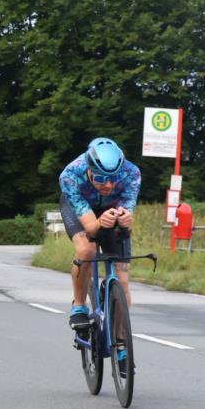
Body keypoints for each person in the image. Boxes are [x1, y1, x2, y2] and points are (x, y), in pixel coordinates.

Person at [59, 138, 141, 335]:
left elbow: (126, 211)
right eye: (102, 178)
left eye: (114, 178)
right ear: (89, 170)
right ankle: (79, 305)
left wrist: (125, 220)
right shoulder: (70, 175)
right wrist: (98, 223)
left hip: (110, 207)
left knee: (121, 279)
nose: (109, 185)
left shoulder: (132, 173)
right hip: (80, 209)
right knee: (86, 249)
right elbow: (91, 228)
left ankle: (120, 344)